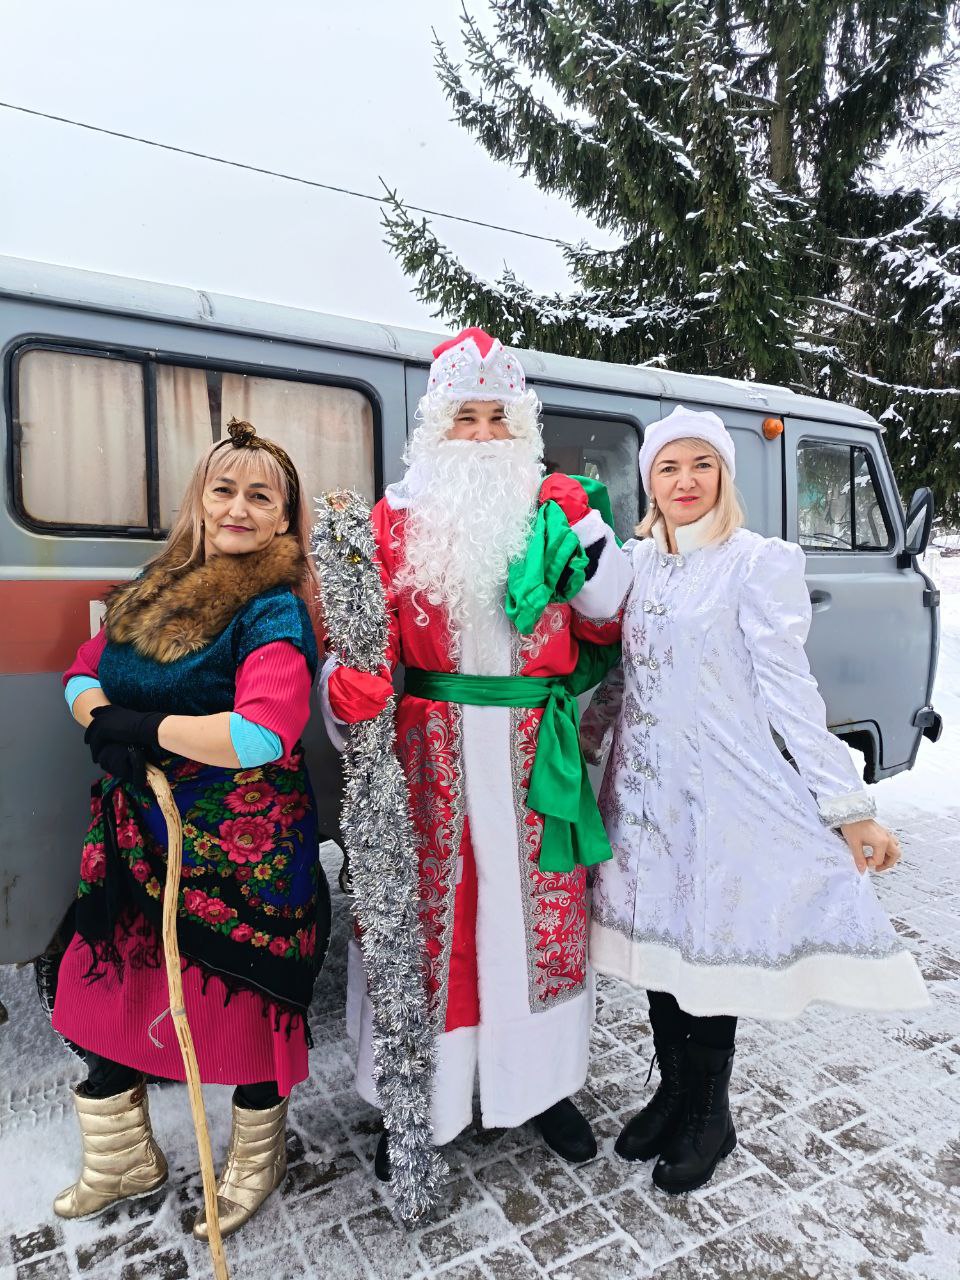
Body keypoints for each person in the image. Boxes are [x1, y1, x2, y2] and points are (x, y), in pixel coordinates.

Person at [581, 405, 928, 1195]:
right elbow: (624, 676)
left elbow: (789, 692)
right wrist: (586, 746)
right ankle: (672, 1092)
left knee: (712, 947)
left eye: (701, 465)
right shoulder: (638, 563)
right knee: (662, 947)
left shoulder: (753, 563)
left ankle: (710, 1111)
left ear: (724, 475)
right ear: (650, 482)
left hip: (723, 794)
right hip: (645, 796)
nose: (685, 481)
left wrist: (848, 807)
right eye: (669, 468)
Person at [321, 327, 633, 1172]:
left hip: (536, 756)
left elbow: (609, 618)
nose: (486, 435)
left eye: (501, 418)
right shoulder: (392, 519)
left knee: (542, 924)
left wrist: (587, 528)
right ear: (438, 425)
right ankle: (418, 1102)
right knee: (430, 929)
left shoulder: (556, 510)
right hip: (431, 756)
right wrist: (345, 690)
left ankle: (541, 1087)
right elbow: (356, 648)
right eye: (468, 417)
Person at [52, 419, 331, 1239]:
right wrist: (100, 718)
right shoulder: (155, 583)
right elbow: (81, 669)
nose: (238, 508)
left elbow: (262, 733)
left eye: (260, 496)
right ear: (200, 500)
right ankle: (121, 1160)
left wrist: (140, 728)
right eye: (224, 489)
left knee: (243, 1004)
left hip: (242, 852)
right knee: (111, 989)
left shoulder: (274, 610)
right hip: (137, 833)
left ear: (284, 517)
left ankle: (255, 1160)